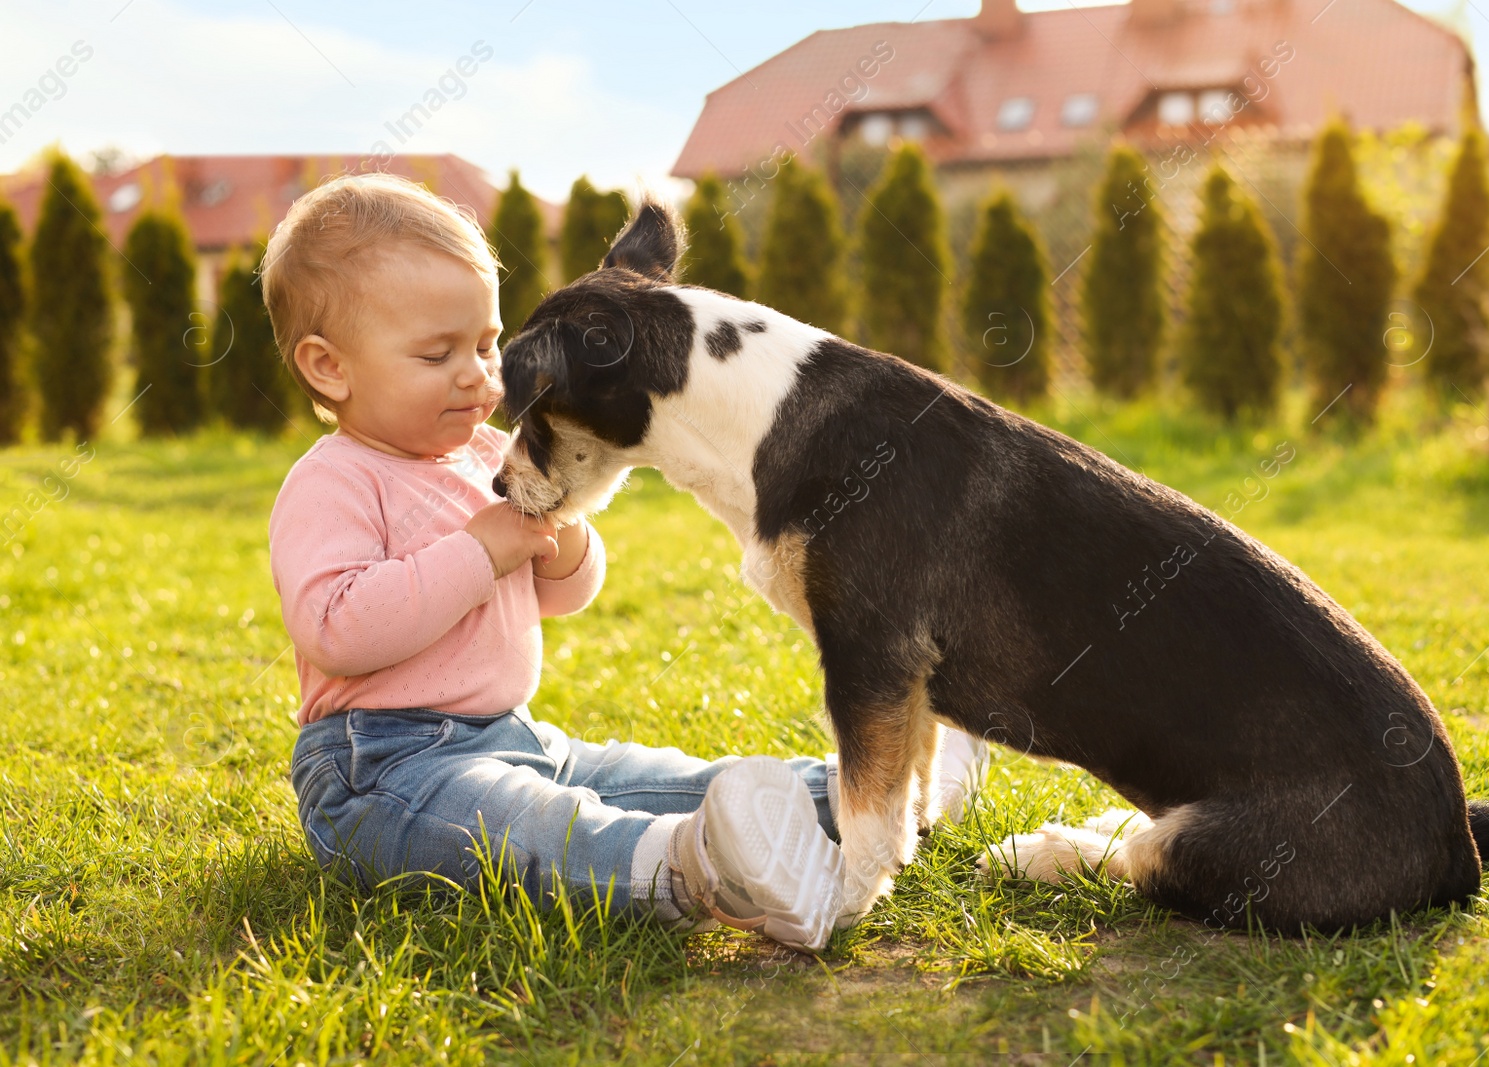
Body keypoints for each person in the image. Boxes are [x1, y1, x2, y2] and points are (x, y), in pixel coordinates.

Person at [261, 173, 987, 953]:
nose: (480, 375)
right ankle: (688, 865)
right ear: (329, 367)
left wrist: (564, 547)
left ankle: (872, 793)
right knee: (533, 826)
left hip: (516, 735)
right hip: (383, 770)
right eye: (438, 354)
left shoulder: (484, 457)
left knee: (662, 776)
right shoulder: (333, 481)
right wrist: (479, 552)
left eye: (485, 344)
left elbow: (563, 592)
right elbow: (339, 628)